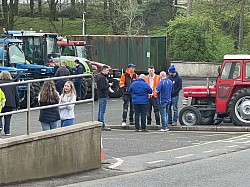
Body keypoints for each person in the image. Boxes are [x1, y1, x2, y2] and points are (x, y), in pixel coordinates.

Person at [0, 71, 19, 136]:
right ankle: (7, 131)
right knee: (8, 118)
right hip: (10, 103)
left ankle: (0, 126)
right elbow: (16, 95)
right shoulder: (12, 83)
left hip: (1, 103)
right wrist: (17, 105)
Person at [97, 65, 111, 131]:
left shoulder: (99, 76)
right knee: (102, 110)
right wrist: (108, 85)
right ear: (103, 70)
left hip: (100, 95)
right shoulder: (102, 78)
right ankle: (102, 124)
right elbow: (102, 87)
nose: (108, 72)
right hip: (103, 95)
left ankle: (99, 123)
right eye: (107, 70)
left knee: (100, 110)